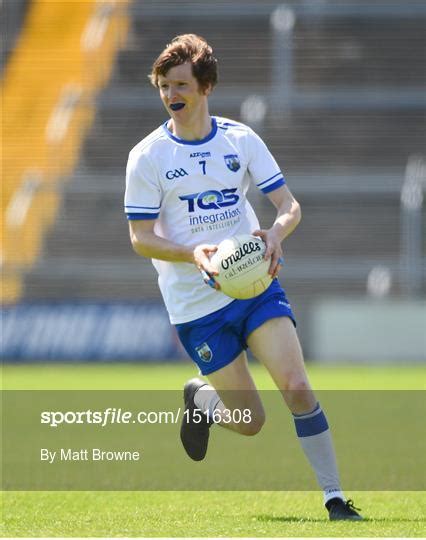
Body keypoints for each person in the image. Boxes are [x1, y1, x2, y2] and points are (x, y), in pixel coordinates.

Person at [124, 33, 362, 521]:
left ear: (206, 86)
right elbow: (140, 237)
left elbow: (289, 206)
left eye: (182, 85)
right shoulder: (147, 157)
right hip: (195, 305)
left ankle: (335, 498)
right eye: (164, 86)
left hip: (253, 286)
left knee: (296, 386)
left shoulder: (240, 140)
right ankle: (201, 401)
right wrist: (195, 255)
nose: (172, 95)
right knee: (250, 421)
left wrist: (275, 234)